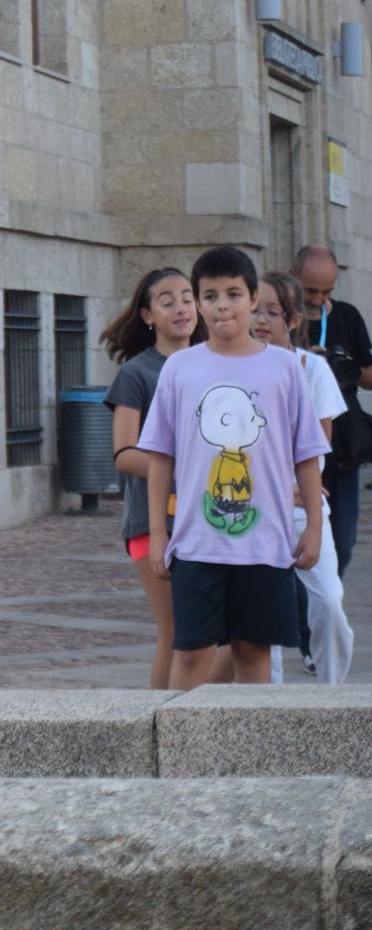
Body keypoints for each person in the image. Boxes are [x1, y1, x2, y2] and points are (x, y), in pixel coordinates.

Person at [138, 246, 331, 690]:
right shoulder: (180, 369)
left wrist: (314, 528)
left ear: (251, 300)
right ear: (200, 303)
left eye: (233, 293)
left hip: (266, 545)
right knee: (189, 654)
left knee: (253, 652)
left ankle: (255, 757)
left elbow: (306, 454)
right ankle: (179, 753)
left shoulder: (284, 369)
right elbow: (161, 456)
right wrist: (158, 533)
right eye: (209, 295)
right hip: (196, 544)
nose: (221, 305)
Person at [101, 267, 203, 689]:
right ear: (147, 315)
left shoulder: (213, 363)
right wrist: (184, 465)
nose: (181, 307)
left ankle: (190, 714)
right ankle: (161, 725)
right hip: (152, 521)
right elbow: (124, 455)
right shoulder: (137, 374)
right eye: (167, 300)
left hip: (208, 519)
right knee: (177, 634)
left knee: (237, 637)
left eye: (187, 297)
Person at [254, 272, 353, 683]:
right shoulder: (233, 366)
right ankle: (269, 704)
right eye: (254, 309)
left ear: (292, 320)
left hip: (300, 501)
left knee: (328, 600)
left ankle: (332, 694)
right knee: (264, 613)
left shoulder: (312, 368)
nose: (259, 319)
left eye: (271, 312)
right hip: (252, 505)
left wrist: (304, 495)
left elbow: (319, 442)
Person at [292, 243, 372, 575]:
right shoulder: (281, 318)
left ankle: (329, 597)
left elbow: (368, 378)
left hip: (341, 445)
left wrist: (345, 365)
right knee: (299, 529)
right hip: (296, 441)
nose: (318, 299)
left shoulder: (347, 315)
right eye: (311, 290)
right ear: (293, 277)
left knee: (343, 537)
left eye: (327, 291)